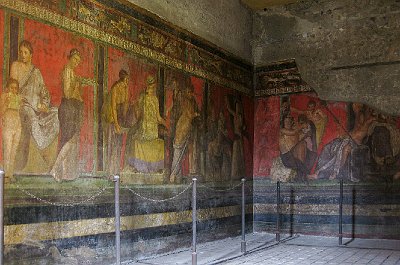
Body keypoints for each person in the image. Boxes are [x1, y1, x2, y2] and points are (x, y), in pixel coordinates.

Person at [10, 40, 59, 173]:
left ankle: (46, 154)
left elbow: (44, 91)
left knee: (56, 113)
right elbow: (13, 88)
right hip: (23, 104)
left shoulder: (36, 72)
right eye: (20, 52)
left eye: (25, 52)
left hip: (37, 107)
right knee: (32, 118)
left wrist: (44, 104)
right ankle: (41, 151)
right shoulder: (16, 66)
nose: (22, 55)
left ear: (31, 54)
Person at [51, 49, 95, 181]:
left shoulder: (72, 73)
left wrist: (80, 82)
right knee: (70, 139)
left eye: (78, 61)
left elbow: (75, 93)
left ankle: (63, 174)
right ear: (70, 58)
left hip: (73, 108)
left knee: (68, 139)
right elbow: (68, 93)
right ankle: (55, 167)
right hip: (69, 108)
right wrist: (78, 82)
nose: (76, 63)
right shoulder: (67, 71)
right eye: (75, 59)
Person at [126, 75, 166, 173]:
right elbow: (158, 118)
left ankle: (137, 166)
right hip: (152, 131)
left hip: (145, 130)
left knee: (132, 137)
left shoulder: (143, 97)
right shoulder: (154, 99)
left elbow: (138, 115)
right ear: (154, 86)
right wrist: (166, 123)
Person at [169, 79, 200, 183]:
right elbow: (190, 115)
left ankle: (177, 176)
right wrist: (196, 114)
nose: (191, 94)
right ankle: (173, 175)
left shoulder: (191, 101)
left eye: (192, 92)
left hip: (187, 130)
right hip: (182, 130)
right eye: (189, 92)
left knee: (181, 155)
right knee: (178, 154)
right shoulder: (186, 102)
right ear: (186, 92)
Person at [101, 69, 129, 175]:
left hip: (120, 118)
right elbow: (113, 108)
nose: (127, 82)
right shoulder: (115, 89)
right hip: (113, 118)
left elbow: (125, 105)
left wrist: (123, 122)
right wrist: (117, 124)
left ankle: (116, 170)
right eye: (126, 80)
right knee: (112, 144)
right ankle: (111, 172)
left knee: (119, 144)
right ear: (122, 79)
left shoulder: (125, 89)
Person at [0, 79, 22, 183]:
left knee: (14, 151)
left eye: (16, 88)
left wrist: (20, 103)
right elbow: (1, 112)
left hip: (17, 125)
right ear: (8, 88)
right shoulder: (4, 97)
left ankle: (10, 174)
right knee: (7, 150)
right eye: (12, 88)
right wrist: (7, 102)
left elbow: (19, 111)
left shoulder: (19, 97)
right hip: (8, 126)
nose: (14, 90)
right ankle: (5, 176)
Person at [226, 96, 246, 181]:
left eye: (238, 107)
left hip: (239, 137)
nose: (237, 108)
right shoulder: (237, 115)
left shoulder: (239, 116)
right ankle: (236, 174)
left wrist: (226, 100)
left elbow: (243, 127)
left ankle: (239, 174)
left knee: (239, 156)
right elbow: (229, 109)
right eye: (236, 107)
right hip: (237, 137)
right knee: (236, 156)